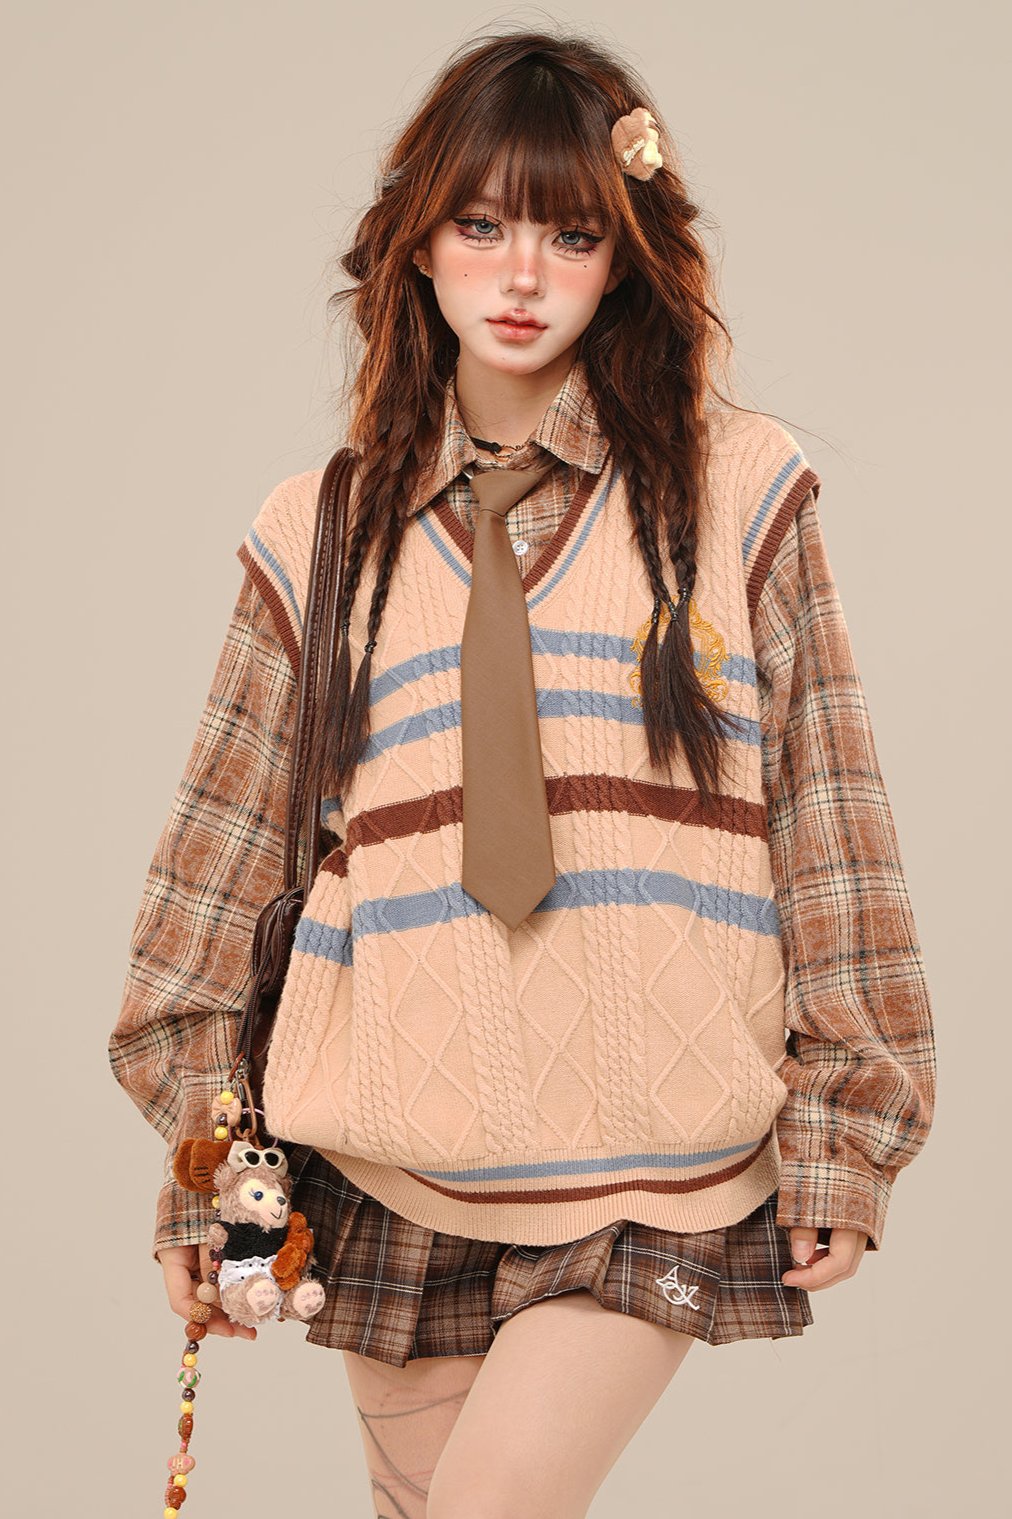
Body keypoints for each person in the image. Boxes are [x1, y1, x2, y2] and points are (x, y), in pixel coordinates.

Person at [109, 27, 936, 1519]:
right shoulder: (319, 532)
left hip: (657, 1149)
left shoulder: (735, 488)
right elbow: (213, 880)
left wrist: (848, 1126)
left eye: (571, 234)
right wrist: (204, 1169)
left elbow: (832, 814)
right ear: (417, 240)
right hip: (396, 1149)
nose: (521, 274)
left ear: (626, 259)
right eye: (482, 224)